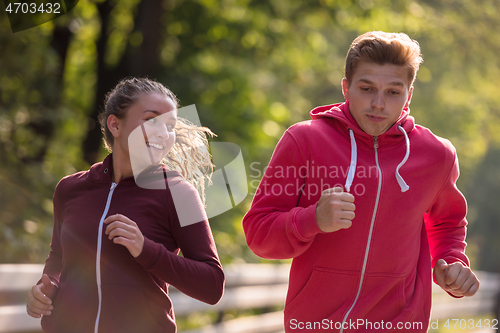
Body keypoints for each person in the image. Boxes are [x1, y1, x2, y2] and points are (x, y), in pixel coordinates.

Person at [243, 31, 480, 332]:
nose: (378, 103)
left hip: (399, 324)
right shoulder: (304, 141)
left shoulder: (437, 156)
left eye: (393, 92)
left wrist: (451, 262)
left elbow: (447, 223)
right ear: (346, 88)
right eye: (367, 88)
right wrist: (312, 218)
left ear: (409, 94)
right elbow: (259, 234)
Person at [26, 77, 224, 333]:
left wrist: (146, 249)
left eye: (171, 125)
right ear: (115, 125)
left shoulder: (178, 194)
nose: (163, 133)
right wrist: (46, 288)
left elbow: (212, 285)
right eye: (151, 119)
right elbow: (58, 257)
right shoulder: (70, 189)